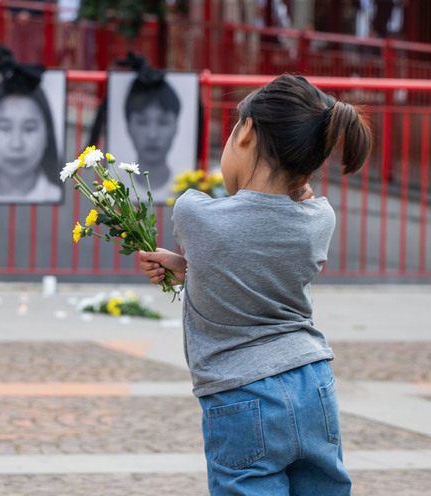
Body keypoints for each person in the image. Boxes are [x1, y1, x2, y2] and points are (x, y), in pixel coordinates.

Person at [139, 74, 372, 495]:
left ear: (245, 132)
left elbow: (232, 230)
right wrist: (192, 268)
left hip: (240, 394)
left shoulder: (194, 212)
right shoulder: (320, 219)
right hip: (312, 381)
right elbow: (259, 262)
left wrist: (195, 261)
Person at [0, 82, 62, 203]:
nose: (16, 144)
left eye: (29, 128)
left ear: (47, 136)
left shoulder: (55, 195)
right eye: (4, 127)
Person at [124, 76, 180, 204]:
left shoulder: (186, 187)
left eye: (163, 122)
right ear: (128, 126)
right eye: (142, 122)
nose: (152, 135)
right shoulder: (114, 185)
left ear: (176, 126)